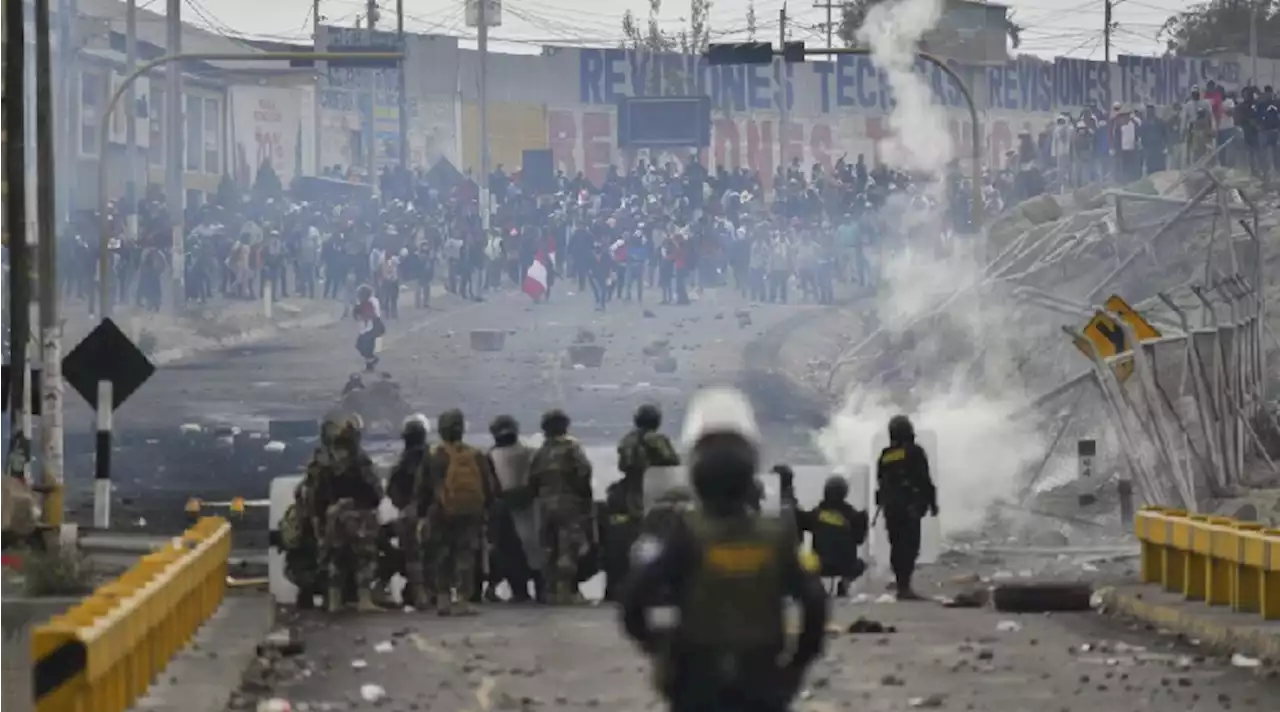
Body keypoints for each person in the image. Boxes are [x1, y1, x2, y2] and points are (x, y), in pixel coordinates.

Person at [619, 387, 828, 712]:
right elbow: (814, 601)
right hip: (763, 679)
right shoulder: (777, 535)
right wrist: (797, 663)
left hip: (697, 680)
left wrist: (660, 648)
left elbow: (634, 599)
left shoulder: (685, 532)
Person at [420, 408, 495, 616]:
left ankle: (443, 600)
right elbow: (490, 487)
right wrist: (484, 508)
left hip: (440, 512)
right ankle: (462, 600)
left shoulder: (434, 455)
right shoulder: (476, 454)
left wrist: (422, 513)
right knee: (465, 555)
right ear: (462, 429)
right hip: (470, 513)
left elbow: (422, 488)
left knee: (442, 554)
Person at [311, 416, 383, 613]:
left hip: (333, 517)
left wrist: (321, 521)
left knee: (336, 559)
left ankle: (334, 601)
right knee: (364, 558)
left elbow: (317, 497)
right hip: (359, 517)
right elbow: (375, 493)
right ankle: (364, 600)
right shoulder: (360, 461)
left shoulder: (325, 462)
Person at [528, 409, 594, 604]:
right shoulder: (572, 447)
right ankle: (566, 591)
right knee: (568, 545)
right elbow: (584, 472)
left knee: (549, 546)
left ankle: (550, 591)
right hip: (568, 502)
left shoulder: (541, 451)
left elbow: (531, 480)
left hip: (545, 504)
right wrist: (585, 499)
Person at [875, 414, 938, 601]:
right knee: (910, 546)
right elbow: (924, 479)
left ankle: (901, 583)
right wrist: (932, 503)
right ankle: (904, 586)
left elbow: (881, 481)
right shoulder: (914, 451)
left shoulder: (885, 455)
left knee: (897, 545)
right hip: (909, 507)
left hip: (891, 508)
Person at [487, 414, 542, 602]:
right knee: (535, 549)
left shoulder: (491, 455)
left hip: (505, 508)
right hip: (530, 506)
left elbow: (491, 486)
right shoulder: (531, 451)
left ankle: (520, 592)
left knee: (510, 551)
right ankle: (541, 591)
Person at [387, 414, 432, 609]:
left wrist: (405, 506)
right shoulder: (434, 456)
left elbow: (391, 490)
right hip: (433, 513)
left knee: (412, 554)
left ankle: (418, 592)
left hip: (409, 514)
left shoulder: (402, 463)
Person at [800, 475, 868, 598]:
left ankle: (818, 589)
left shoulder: (816, 514)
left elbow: (800, 524)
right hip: (846, 565)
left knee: (805, 562)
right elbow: (859, 539)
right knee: (861, 564)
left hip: (820, 564)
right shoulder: (853, 516)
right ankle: (845, 583)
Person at [616, 403, 681, 516]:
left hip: (633, 493)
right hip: (659, 491)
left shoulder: (627, 440)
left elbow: (622, 466)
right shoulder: (659, 439)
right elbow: (674, 461)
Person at [354, 284, 385, 372]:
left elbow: (369, 315)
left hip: (372, 328)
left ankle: (371, 363)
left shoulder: (369, 302)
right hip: (371, 327)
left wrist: (360, 314)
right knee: (363, 347)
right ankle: (371, 362)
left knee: (364, 346)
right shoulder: (371, 301)